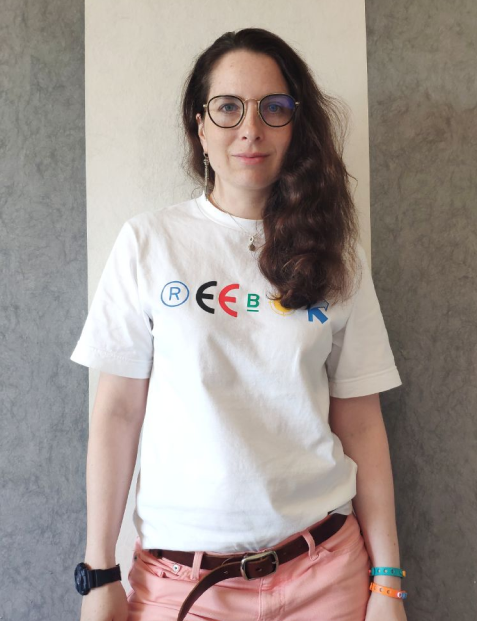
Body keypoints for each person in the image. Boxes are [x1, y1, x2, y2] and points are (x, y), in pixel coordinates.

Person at [71, 27, 408, 621]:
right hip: (184, 585)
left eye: (273, 108)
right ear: (199, 126)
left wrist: (388, 583)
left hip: (325, 573)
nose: (250, 129)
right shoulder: (150, 243)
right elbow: (118, 412)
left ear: (296, 126)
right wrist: (99, 572)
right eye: (228, 107)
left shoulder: (337, 256)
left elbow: (360, 422)